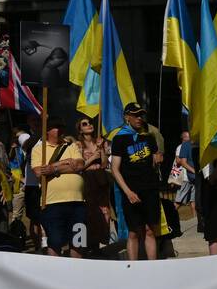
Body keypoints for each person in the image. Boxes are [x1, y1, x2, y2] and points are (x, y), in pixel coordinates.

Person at [109, 108, 162, 261]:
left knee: (150, 230)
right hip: (131, 191)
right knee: (133, 231)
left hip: (150, 189)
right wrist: (128, 192)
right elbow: (115, 169)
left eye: (141, 115)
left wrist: (158, 160)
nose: (139, 118)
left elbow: (154, 162)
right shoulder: (119, 139)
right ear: (127, 117)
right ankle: (133, 266)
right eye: (135, 115)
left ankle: (153, 266)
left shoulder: (149, 137)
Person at [31, 119, 86, 257]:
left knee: (78, 241)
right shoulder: (39, 150)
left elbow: (79, 165)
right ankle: (55, 273)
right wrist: (65, 163)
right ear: (47, 130)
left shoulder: (71, 146)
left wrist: (53, 167)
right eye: (56, 127)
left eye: (61, 127)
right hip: (52, 203)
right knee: (55, 241)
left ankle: (76, 271)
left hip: (78, 202)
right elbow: (39, 172)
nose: (60, 130)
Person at [75, 116, 111, 251]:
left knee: (104, 212)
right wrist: (92, 159)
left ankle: (98, 244)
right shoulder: (78, 145)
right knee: (89, 213)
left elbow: (104, 164)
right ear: (80, 129)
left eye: (90, 123)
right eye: (85, 124)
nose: (89, 125)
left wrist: (101, 150)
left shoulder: (100, 142)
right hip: (86, 180)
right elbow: (79, 167)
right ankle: (87, 245)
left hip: (101, 180)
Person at [171, 127, 196, 207]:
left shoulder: (190, 146)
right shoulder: (181, 147)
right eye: (189, 136)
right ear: (184, 138)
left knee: (193, 200)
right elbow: (178, 161)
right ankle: (171, 215)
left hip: (191, 177)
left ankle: (195, 217)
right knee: (179, 201)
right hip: (184, 176)